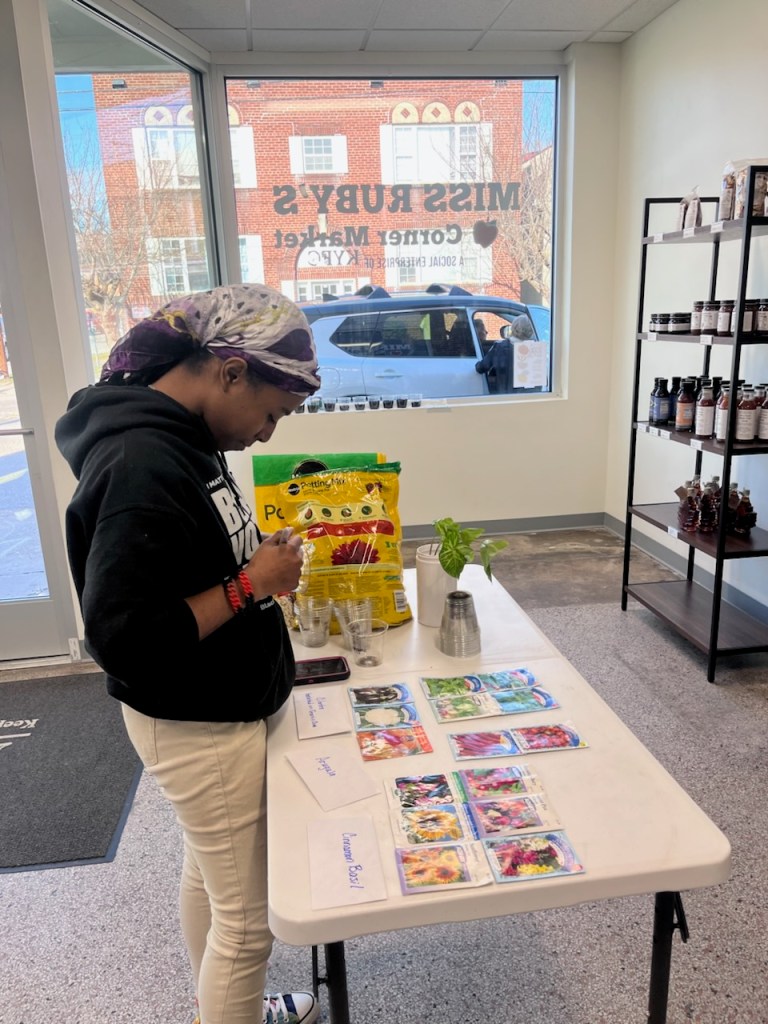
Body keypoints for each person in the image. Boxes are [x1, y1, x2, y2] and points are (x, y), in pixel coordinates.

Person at [55, 284, 323, 1024]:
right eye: (272, 414)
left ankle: (226, 1007)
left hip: (217, 704)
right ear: (230, 372)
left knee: (211, 878)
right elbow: (124, 637)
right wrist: (249, 586)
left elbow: (180, 562)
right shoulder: (142, 461)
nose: (268, 435)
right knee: (248, 919)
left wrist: (249, 564)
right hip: (199, 721)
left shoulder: (185, 438)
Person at [474, 313, 534, 394]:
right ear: (531, 331)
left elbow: (481, 368)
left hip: (503, 399)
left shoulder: (499, 347)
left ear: (513, 328)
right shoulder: (536, 350)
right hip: (530, 400)